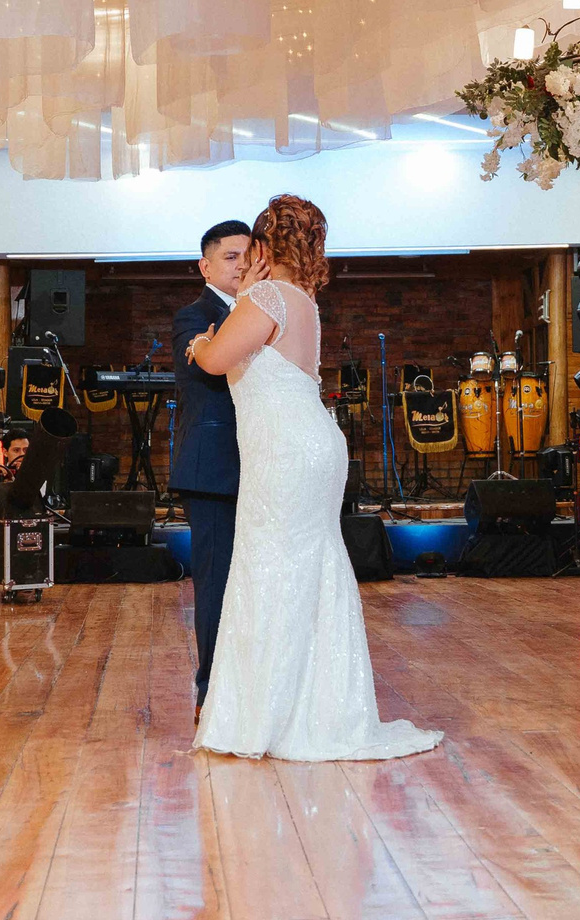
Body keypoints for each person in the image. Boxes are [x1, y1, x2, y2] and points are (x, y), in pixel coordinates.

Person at [187, 196, 442, 762]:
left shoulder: (265, 297)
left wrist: (200, 342)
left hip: (286, 452)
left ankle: (270, 718)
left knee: (271, 568)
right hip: (311, 445)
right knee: (311, 567)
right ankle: (318, 709)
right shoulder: (302, 301)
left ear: (264, 243)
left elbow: (215, 359)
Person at [170, 219, 253, 713]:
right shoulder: (192, 316)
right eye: (230, 256)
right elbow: (204, 372)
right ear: (205, 265)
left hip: (264, 465)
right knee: (216, 582)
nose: (241, 265)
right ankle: (212, 692)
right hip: (213, 471)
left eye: (248, 255)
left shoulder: (264, 310)